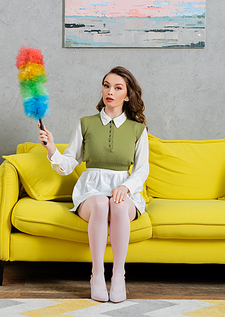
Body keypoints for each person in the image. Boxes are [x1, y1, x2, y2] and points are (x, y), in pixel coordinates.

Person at [38, 66, 149, 303]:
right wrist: (52, 149)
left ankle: (118, 275)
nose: (110, 91)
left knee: (118, 205)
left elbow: (141, 170)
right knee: (100, 204)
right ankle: (97, 274)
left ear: (127, 95)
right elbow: (68, 164)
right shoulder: (85, 123)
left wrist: (126, 188)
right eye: (107, 85)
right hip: (91, 190)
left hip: (124, 188)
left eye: (118, 88)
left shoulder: (138, 129)